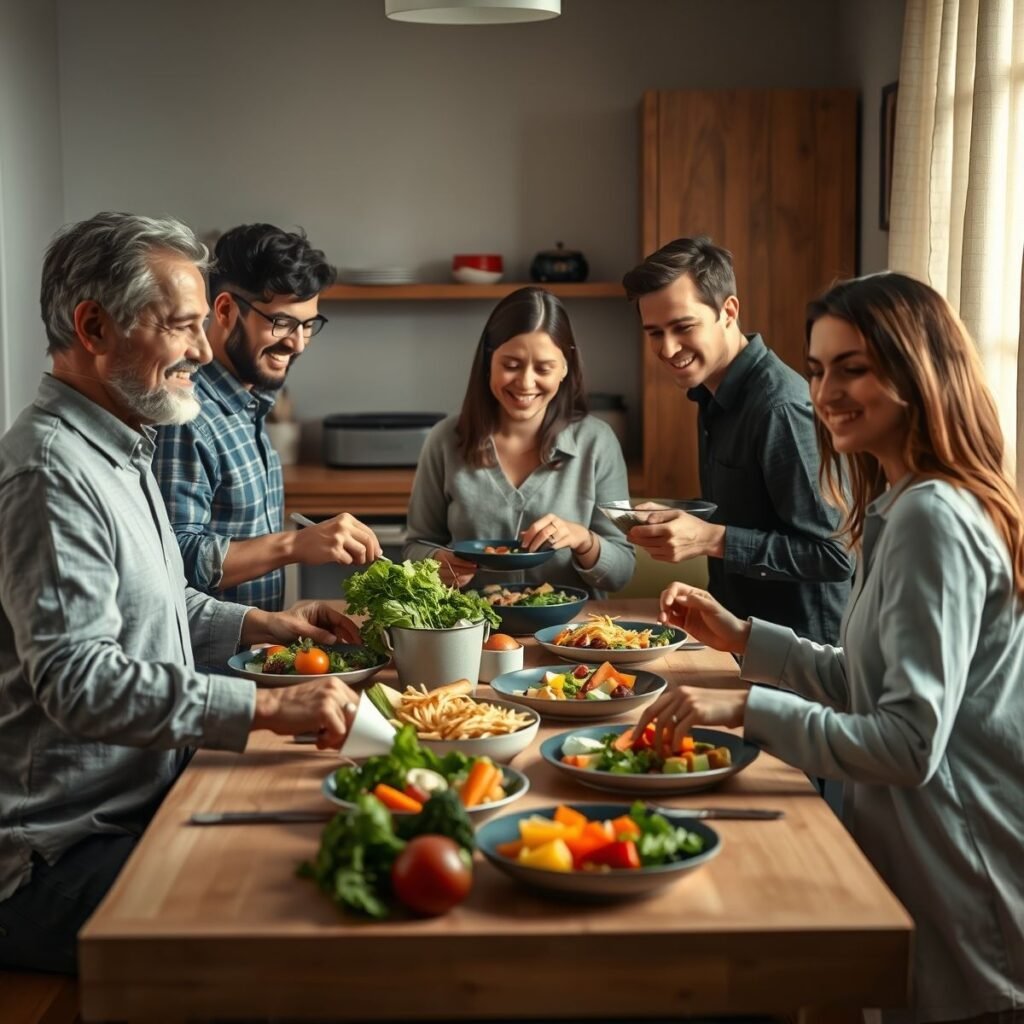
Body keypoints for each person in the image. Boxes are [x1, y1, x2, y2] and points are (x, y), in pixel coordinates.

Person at [639, 272, 1024, 1022]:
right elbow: (863, 684)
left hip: (966, 874)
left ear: (919, 371)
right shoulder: (902, 501)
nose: (824, 393)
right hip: (933, 861)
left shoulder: (932, 518)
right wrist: (744, 639)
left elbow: (909, 744)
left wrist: (747, 707)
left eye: (854, 368)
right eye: (817, 370)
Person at [0, 212, 363, 975]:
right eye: (183, 327)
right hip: (61, 855)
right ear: (93, 326)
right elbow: (78, 680)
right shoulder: (49, 474)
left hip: (140, 805)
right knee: (292, 943)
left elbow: (165, 601)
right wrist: (265, 706)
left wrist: (268, 622)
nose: (203, 349)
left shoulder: (121, 443)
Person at [621, 237, 852, 644]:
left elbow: (836, 555)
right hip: (743, 641)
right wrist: (682, 522)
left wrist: (711, 538)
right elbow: (757, 516)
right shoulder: (710, 394)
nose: (668, 348)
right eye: (655, 332)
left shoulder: (779, 408)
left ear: (729, 311)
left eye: (683, 327)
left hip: (804, 660)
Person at [153, 223, 381, 612]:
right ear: (225, 310)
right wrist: (294, 545)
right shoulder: (187, 417)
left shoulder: (251, 404)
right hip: (207, 669)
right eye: (282, 322)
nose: (296, 343)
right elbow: (175, 559)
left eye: (309, 325)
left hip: (254, 658)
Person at [404, 286, 635, 596]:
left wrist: (584, 539)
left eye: (544, 368)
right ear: (488, 361)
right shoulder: (444, 440)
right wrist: (435, 562)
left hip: (571, 635)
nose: (526, 383)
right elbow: (414, 547)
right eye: (511, 365)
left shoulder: (599, 442)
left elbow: (622, 570)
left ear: (565, 367)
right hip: (471, 631)